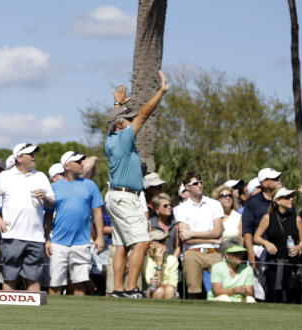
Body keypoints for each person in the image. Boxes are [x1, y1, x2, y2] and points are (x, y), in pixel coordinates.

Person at [104, 70, 170, 298]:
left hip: (119, 196)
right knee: (142, 242)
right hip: (125, 197)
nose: (134, 122)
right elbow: (144, 114)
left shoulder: (112, 137)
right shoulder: (122, 138)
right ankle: (132, 289)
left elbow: (115, 119)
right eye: (128, 119)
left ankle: (118, 290)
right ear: (121, 124)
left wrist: (116, 104)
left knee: (122, 245)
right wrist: (160, 92)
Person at [0, 143, 54, 292]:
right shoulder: (5, 177)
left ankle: (34, 315)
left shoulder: (40, 176)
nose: (34, 157)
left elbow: (52, 204)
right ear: (19, 157)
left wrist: (45, 198)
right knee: (10, 278)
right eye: (30, 154)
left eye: (34, 154)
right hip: (12, 235)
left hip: (36, 237)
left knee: (33, 278)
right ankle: (7, 314)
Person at [46, 150, 105, 296]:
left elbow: (97, 212)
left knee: (79, 283)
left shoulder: (90, 185)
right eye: (77, 162)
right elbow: (47, 216)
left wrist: (100, 237)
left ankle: (78, 317)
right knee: (56, 283)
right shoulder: (54, 187)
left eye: (81, 161)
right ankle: (50, 316)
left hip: (82, 242)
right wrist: (47, 239)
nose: (81, 164)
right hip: (59, 241)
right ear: (67, 166)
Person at [173, 171, 224, 298]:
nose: (200, 185)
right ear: (187, 187)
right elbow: (186, 240)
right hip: (192, 253)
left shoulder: (215, 204)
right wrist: (212, 237)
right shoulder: (181, 209)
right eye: (195, 183)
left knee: (221, 290)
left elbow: (217, 232)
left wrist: (192, 233)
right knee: (193, 293)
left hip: (214, 252)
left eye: (201, 182)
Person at [253, 187, 302, 304]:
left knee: (293, 301)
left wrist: (299, 247)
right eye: (286, 197)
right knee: (275, 299)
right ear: (277, 201)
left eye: (291, 197)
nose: (290, 199)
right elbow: (256, 237)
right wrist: (266, 243)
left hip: (292, 266)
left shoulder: (297, 219)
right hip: (274, 266)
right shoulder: (268, 218)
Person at [241, 167, 281, 268]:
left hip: (282, 250)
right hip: (260, 251)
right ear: (264, 183)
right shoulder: (252, 202)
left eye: (279, 178)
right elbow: (247, 230)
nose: (279, 181)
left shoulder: (285, 200)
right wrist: (251, 253)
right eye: (275, 179)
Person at [141, 228, 178, 299]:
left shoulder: (172, 259)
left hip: (169, 290)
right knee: (159, 291)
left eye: (165, 240)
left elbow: (173, 284)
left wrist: (161, 285)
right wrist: (159, 264)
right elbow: (152, 285)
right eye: (160, 241)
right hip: (150, 291)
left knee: (169, 290)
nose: (164, 243)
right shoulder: (146, 260)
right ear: (152, 245)